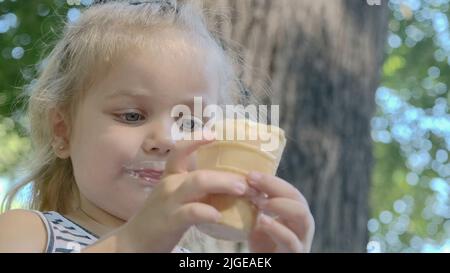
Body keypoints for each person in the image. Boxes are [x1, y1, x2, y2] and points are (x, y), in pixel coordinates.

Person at [0, 0, 314, 253]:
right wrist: (129, 245)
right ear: (62, 131)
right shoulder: (26, 232)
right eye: (132, 116)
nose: (165, 139)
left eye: (190, 122)